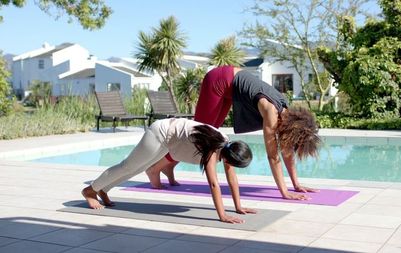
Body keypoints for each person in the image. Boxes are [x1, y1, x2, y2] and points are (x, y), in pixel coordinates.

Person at [149, 65, 321, 200]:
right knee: (199, 135)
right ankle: (155, 169)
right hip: (218, 80)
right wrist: (285, 192)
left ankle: (169, 166)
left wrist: (296, 184)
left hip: (229, 88)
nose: (290, 146)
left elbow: (286, 150)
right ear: (291, 130)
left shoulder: (286, 111)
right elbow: (273, 156)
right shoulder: (271, 111)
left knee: (210, 136)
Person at [82, 118, 257, 223]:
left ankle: (103, 189)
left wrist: (238, 207)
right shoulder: (214, 150)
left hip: (169, 140)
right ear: (229, 158)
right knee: (129, 165)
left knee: (139, 167)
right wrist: (223, 215)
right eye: (234, 165)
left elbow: (232, 179)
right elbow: (213, 184)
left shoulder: (228, 147)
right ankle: (90, 190)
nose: (232, 168)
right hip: (160, 133)